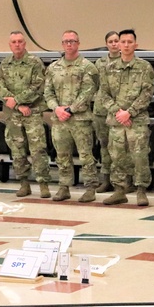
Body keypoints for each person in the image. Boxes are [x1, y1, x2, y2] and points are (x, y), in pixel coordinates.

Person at [98, 29, 154, 206]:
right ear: (119, 44)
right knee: (117, 156)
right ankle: (119, 190)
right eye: (123, 42)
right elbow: (104, 94)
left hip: (136, 121)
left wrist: (129, 112)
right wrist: (118, 112)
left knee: (139, 157)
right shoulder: (108, 69)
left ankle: (141, 190)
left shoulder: (144, 67)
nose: (126, 45)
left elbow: (147, 93)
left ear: (135, 45)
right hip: (116, 121)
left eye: (130, 42)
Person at [45, 29, 100, 202]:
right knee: (61, 155)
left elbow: (88, 92)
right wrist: (56, 109)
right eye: (66, 41)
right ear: (62, 44)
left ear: (78, 43)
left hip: (80, 119)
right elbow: (48, 93)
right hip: (59, 119)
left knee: (85, 155)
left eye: (72, 41)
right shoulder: (53, 68)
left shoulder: (87, 67)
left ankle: (90, 187)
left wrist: (70, 109)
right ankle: (64, 186)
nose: (69, 44)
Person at [0, 31, 52, 198]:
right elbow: (1, 88)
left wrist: (18, 100)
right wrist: (18, 105)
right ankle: (24, 183)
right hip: (13, 115)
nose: (17, 44)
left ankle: (43, 184)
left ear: (25, 43)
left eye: (20, 41)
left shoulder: (35, 62)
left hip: (32, 112)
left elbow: (38, 86)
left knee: (38, 150)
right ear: (10, 45)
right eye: (14, 42)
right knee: (17, 150)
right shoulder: (4, 64)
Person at [93, 31, 119, 192]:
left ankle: (122, 181)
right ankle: (106, 179)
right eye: (111, 41)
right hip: (101, 111)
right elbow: (94, 85)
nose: (114, 44)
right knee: (104, 146)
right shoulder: (99, 63)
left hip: (119, 111)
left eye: (117, 41)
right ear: (106, 44)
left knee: (120, 147)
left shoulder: (126, 61)